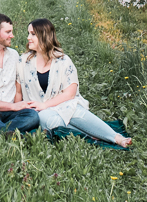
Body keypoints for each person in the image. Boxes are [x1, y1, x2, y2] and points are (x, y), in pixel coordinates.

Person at [18, 18, 132, 147]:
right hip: (40, 111)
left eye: (33, 34)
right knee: (48, 119)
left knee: (73, 111)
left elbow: (70, 93)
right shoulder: (23, 62)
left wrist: (46, 104)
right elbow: (18, 91)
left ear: (44, 35)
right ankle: (90, 134)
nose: (28, 37)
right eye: (28, 33)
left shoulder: (63, 60)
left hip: (62, 103)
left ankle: (116, 137)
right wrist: (20, 110)